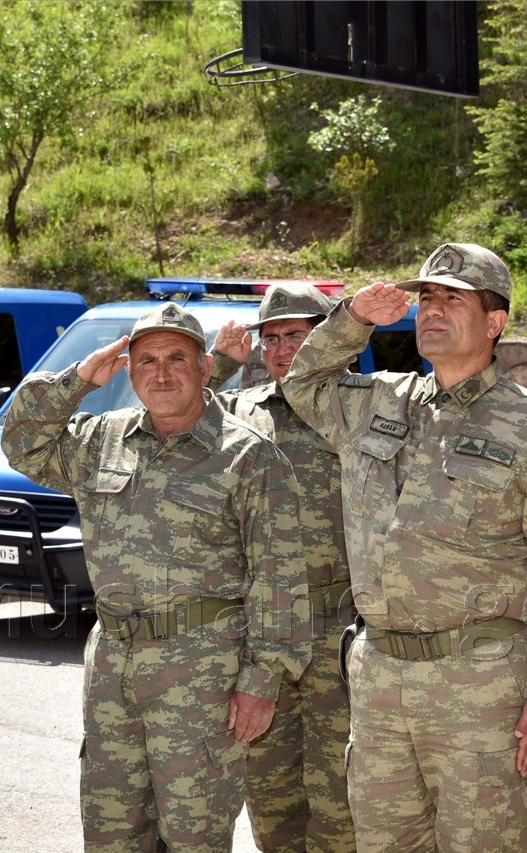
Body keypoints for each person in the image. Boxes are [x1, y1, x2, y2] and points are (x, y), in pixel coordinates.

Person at [283, 243, 527, 852]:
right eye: (426, 297)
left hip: (479, 686)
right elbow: (303, 381)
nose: (432, 309)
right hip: (379, 677)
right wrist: (353, 318)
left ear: (495, 322)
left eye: (454, 299)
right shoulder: (377, 402)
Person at [1, 302, 312, 852]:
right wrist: (78, 380)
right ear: (129, 368)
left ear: (205, 367)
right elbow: (21, 442)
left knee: (194, 832)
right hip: (113, 663)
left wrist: (262, 681)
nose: (162, 373)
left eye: (177, 358)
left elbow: (280, 578)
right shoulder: (102, 438)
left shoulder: (247, 455)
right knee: (111, 829)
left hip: (202, 670)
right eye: (146, 360)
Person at [209, 283, 357, 853]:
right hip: (263, 630)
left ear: (327, 336)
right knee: (269, 792)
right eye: (269, 339)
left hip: (340, 628)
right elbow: (175, 413)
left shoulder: (362, 406)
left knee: (340, 794)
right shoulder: (241, 411)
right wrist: (222, 363)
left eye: (296, 335)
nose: (281, 349)